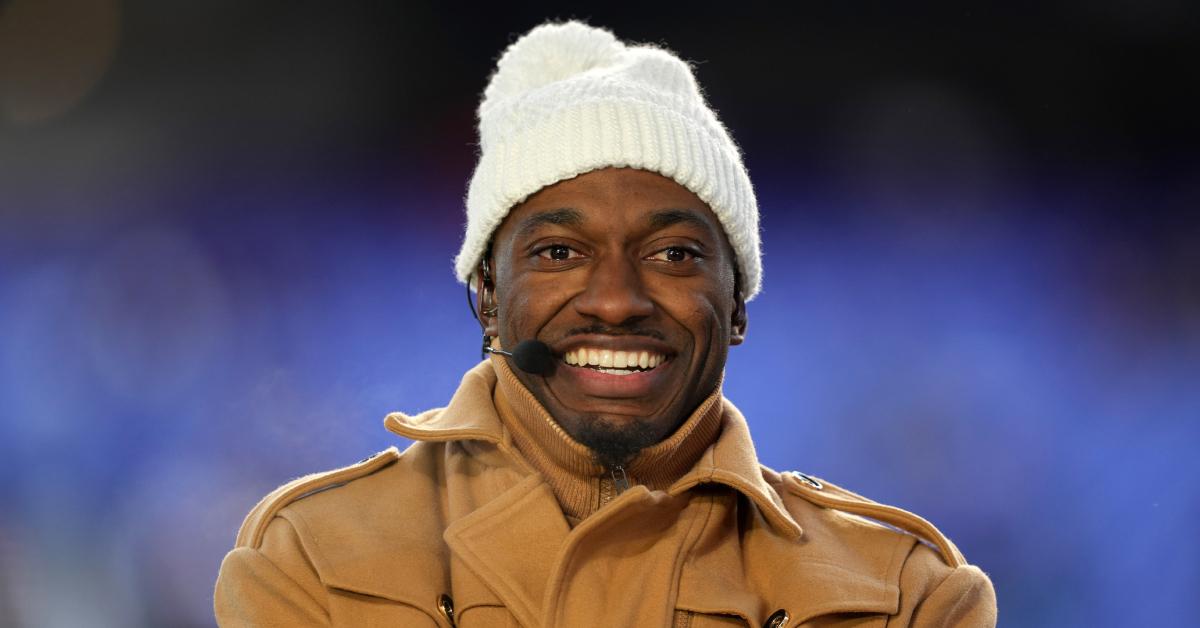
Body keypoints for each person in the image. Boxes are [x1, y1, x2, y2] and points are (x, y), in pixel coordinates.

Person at [214, 21, 997, 627]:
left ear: (738, 305)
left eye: (675, 254)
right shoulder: (312, 556)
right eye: (559, 251)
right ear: (488, 291)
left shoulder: (902, 594)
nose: (616, 299)